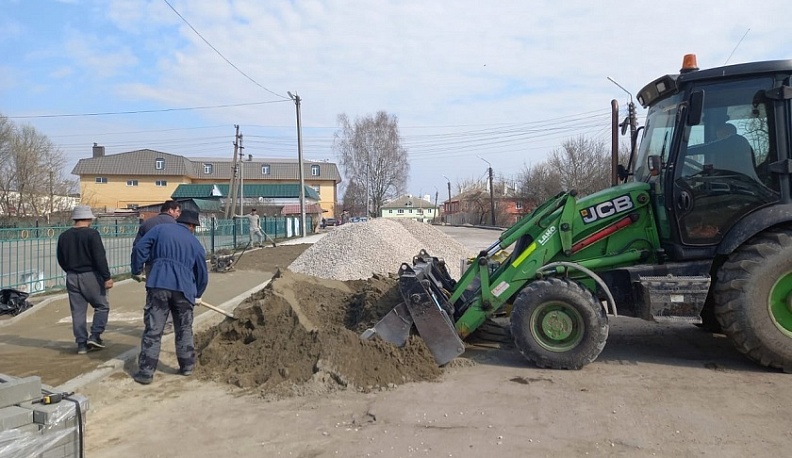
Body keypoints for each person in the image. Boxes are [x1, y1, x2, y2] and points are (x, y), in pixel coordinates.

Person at [130, 209, 208, 385]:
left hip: (159, 284)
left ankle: (146, 373)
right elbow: (202, 273)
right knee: (184, 328)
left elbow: (140, 248)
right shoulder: (195, 243)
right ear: (192, 226)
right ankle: (187, 367)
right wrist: (198, 294)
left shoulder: (160, 230)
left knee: (154, 329)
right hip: (184, 290)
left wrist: (136, 269)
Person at [56, 205, 113, 354]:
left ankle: (81, 344)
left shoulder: (64, 236)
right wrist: (106, 277)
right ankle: (95, 336)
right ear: (88, 218)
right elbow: (99, 257)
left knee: (78, 311)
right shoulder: (92, 234)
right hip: (90, 275)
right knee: (101, 306)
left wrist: (70, 271)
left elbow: (60, 258)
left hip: (71, 276)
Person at [133, 200, 181, 334]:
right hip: (172, 266)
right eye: (177, 211)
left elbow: (138, 247)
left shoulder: (147, 224)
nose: (178, 214)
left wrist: (137, 270)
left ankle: (150, 324)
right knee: (169, 294)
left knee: (152, 294)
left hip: (152, 266)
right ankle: (166, 326)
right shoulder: (177, 226)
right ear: (170, 210)